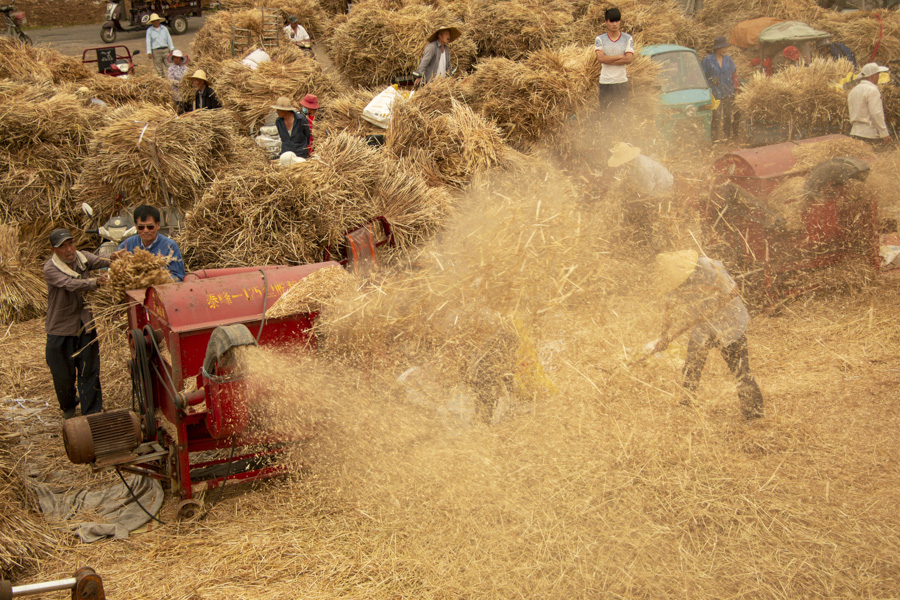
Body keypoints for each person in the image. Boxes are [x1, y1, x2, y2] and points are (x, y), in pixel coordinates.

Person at [649, 250, 765, 421]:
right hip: (702, 327)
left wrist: (710, 311)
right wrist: (664, 336)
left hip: (729, 323)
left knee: (740, 370)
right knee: (691, 366)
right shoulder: (674, 280)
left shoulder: (710, 266)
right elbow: (669, 308)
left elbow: (733, 291)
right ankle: (687, 403)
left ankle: (754, 415)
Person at [44, 228, 121, 419]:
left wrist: (115, 258)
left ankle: (92, 413)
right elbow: (70, 284)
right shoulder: (50, 268)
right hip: (61, 329)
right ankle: (69, 407)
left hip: (85, 325)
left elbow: (102, 260)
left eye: (71, 244)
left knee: (90, 370)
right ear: (53, 250)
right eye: (62, 246)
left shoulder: (83, 258)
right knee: (63, 375)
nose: (69, 250)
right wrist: (96, 282)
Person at [117, 205, 185, 281]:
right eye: (141, 227)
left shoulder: (170, 246)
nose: (146, 230)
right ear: (135, 226)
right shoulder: (127, 245)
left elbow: (179, 277)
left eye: (150, 227)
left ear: (158, 225)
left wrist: (154, 278)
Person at [594, 7, 635, 111]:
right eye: (611, 21)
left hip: (621, 82)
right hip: (605, 82)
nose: (614, 24)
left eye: (617, 21)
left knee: (622, 113)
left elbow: (628, 59)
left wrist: (607, 58)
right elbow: (600, 59)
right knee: (605, 114)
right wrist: (620, 56)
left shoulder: (627, 38)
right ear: (606, 22)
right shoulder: (600, 39)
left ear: (620, 21)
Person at [701, 37, 739, 142]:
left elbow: (734, 75)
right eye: (723, 47)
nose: (725, 49)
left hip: (728, 91)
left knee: (728, 115)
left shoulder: (728, 60)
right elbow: (702, 76)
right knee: (716, 116)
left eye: (725, 47)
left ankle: (727, 136)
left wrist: (736, 90)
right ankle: (714, 138)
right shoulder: (708, 60)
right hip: (715, 92)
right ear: (717, 48)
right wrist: (710, 81)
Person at [848, 62, 892, 145]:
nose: (878, 77)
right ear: (873, 76)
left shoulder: (853, 91)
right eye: (878, 74)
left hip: (855, 133)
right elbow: (876, 113)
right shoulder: (872, 90)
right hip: (869, 135)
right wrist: (884, 133)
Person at [145, 13, 174, 78]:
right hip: (156, 51)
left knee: (169, 66)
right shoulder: (149, 31)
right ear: (152, 22)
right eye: (154, 21)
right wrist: (149, 52)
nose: (156, 22)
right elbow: (148, 41)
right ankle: (162, 80)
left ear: (159, 21)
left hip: (165, 49)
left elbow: (169, 38)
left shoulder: (164, 29)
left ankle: (172, 80)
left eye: (156, 20)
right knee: (159, 69)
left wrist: (171, 48)